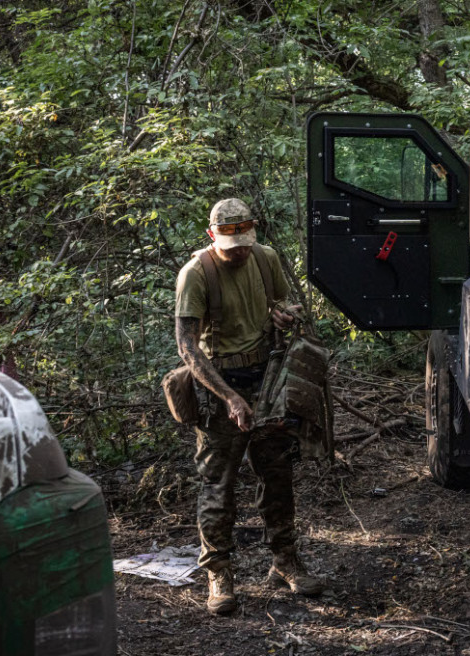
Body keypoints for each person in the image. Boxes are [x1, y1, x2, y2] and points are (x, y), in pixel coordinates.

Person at [175, 198, 325, 615]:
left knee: (277, 475)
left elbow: (282, 304)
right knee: (218, 486)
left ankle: (285, 560)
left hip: (268, 379)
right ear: (212, 236)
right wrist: (230, 398)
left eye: (245, 241)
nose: (239, 251)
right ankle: (219, 572)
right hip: (218, 386)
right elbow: (187, 349)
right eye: (230, 244)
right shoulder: (196, 274)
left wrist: (283, 315)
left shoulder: (265, 259)